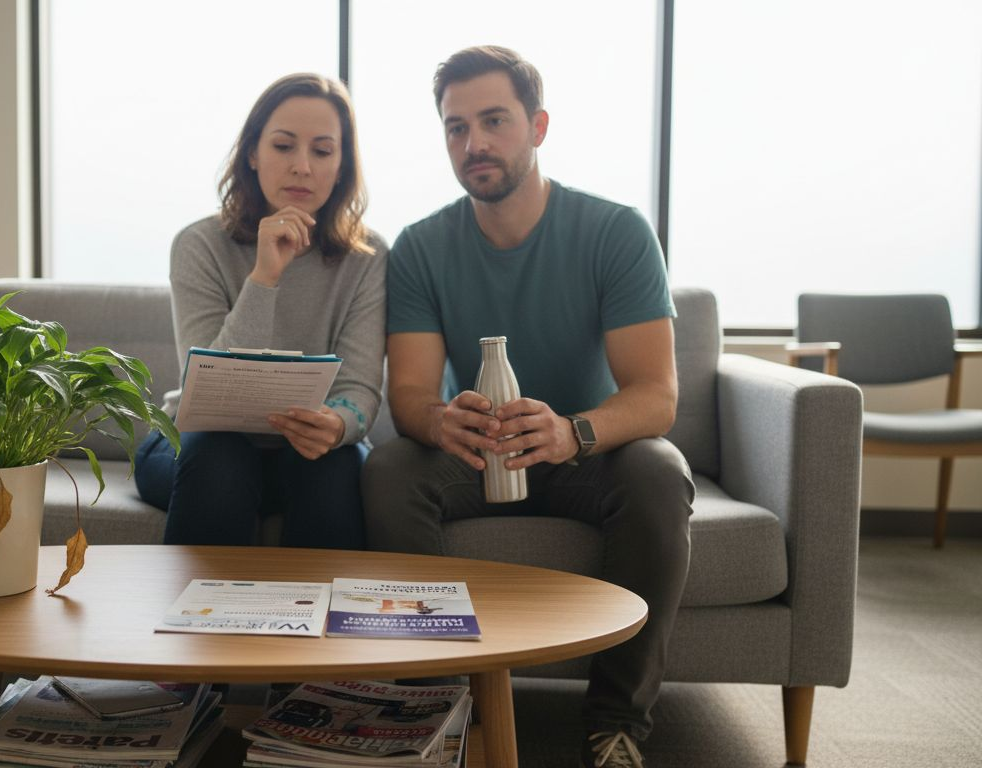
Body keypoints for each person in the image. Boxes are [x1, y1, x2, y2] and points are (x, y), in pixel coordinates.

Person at [361, 46, 693, 768]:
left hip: (581, 451)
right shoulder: (420, 247)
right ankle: (442, 707)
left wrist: (574, 433)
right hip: (473, 453)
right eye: (455, 127)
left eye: (493, 121)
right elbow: (411, 395)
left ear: (537, 126)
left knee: (659, 473)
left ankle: (615, 724)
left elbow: (656, 395)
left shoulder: (615, 232)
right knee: (389, 468)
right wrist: (439, 420)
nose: (473, 143)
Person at [134, 73, 386, 550]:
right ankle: (199, 623)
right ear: (253, 154)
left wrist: (336, 425)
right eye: (284, 146)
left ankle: (325, 623)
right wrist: (264, 277)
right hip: (197, 442)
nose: (303, 167)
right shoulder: (199, 244)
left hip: (306, 449)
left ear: (342, 164)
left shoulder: (367, 257)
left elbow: (359, 388)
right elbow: (210, 389)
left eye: (323, 150)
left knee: (334, 464)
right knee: (220, 458)